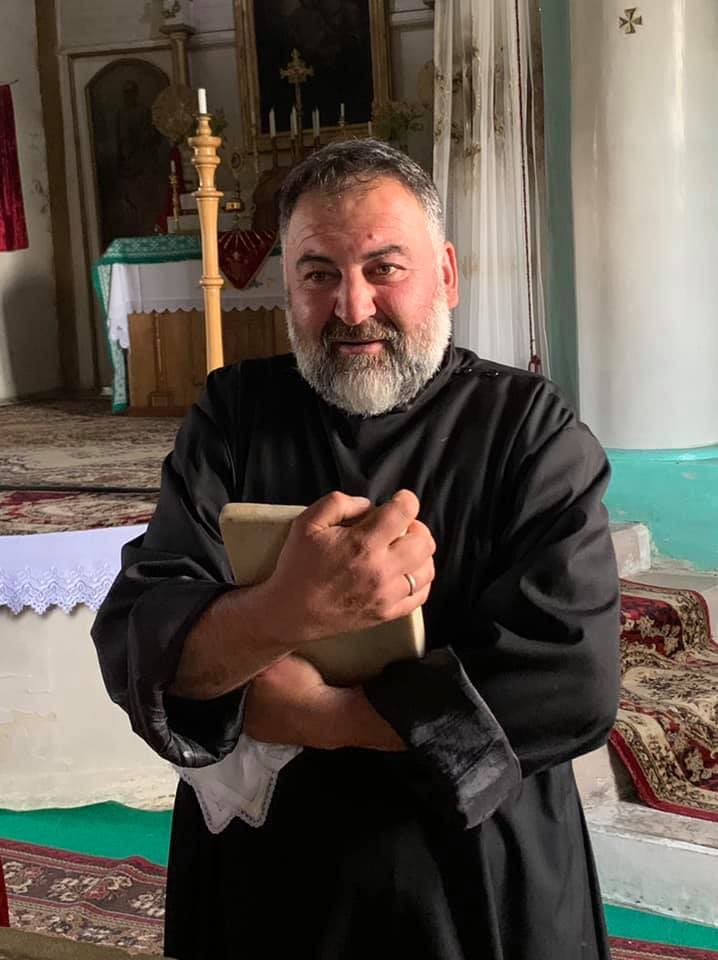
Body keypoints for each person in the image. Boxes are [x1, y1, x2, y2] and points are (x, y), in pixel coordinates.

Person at [92, 139, 621, 960]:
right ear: (287, 286)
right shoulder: (236, 415)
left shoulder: (527, 429)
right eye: (318, 274)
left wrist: (318, 715)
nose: (352, 306)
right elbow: (138, 639)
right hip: (268, 878)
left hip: (474, 870)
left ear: (446, 273)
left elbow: (568, 681)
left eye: (384, 268)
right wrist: (285, 608)